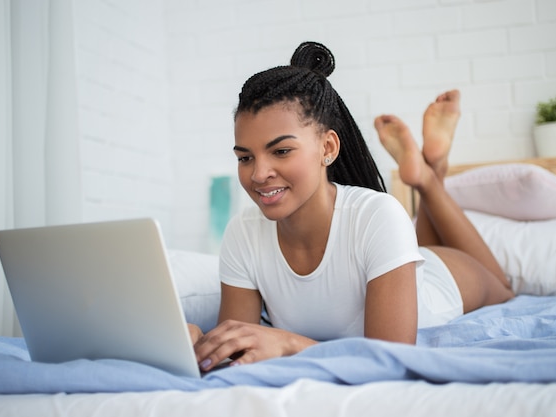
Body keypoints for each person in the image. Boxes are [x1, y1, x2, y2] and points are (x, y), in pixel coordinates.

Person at [190, 41, 514, 372]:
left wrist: (289, 343)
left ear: (327, 147)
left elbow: (389, 360)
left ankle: (429, 179)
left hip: (440, 281)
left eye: (282, 151)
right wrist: (195, 341)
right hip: (395, 267)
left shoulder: (378, 214)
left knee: (505, 287)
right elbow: (235, 349)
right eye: (245, 157)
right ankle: (429, 169)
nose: (258, 174)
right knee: (418, 246)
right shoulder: (243, 232)